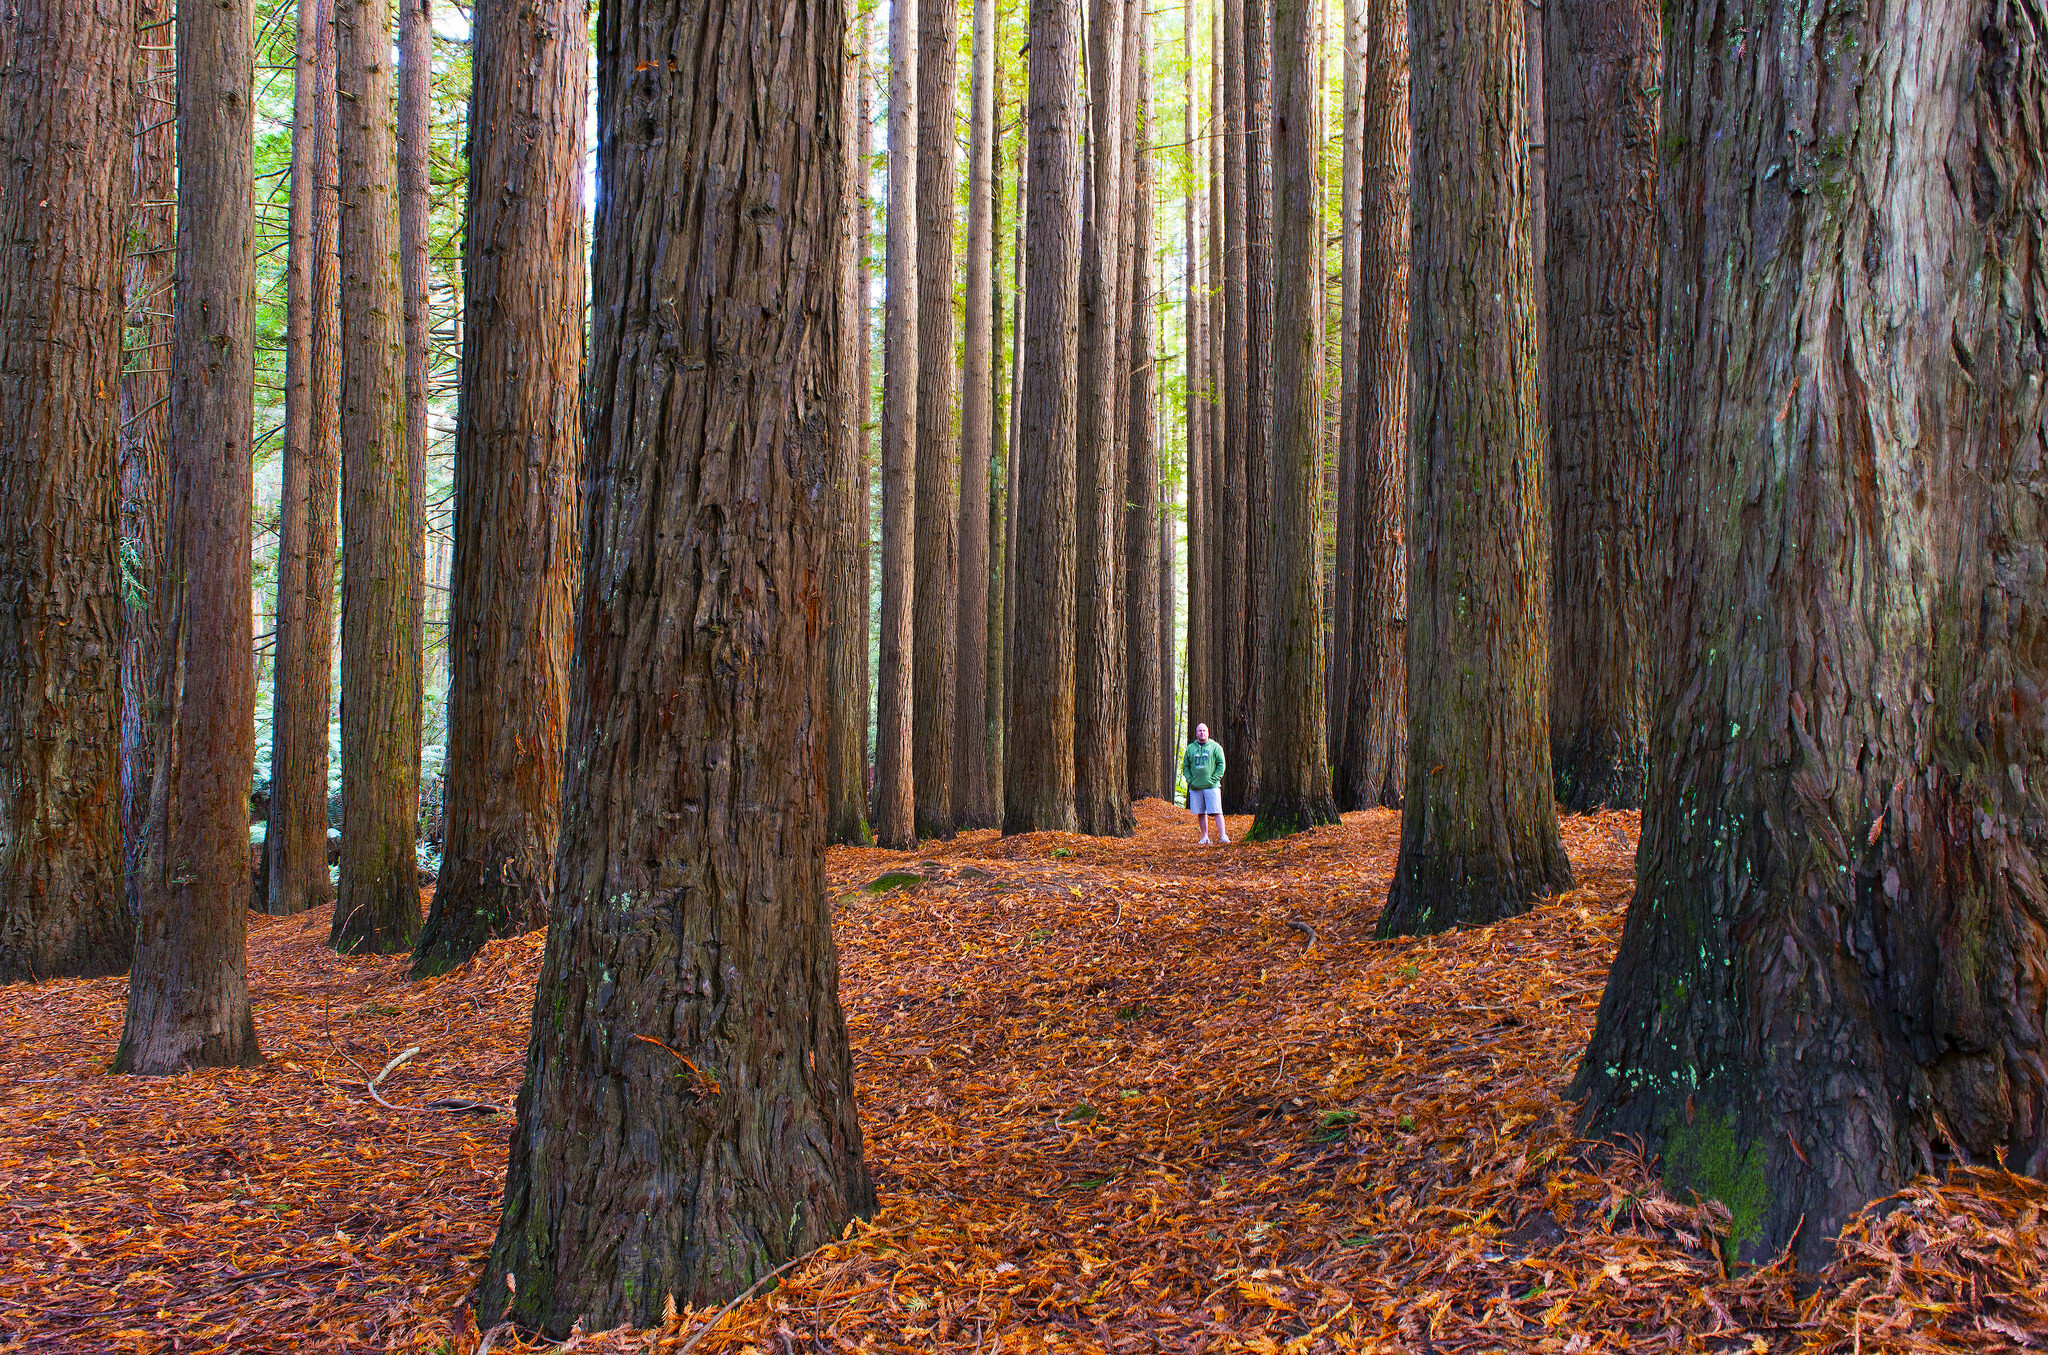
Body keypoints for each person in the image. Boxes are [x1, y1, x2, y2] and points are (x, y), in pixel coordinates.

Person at [1182, 723, 1227, 845]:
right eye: (1200, 731)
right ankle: (1205, 836)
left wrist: (1215, 778)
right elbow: (1185, 765)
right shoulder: (1191, 748)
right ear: (1196, 733)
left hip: (1212, 786)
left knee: (1217, 811)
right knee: (1201, 812)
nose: (1202, 733)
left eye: (1204, 731)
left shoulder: (1215, 747)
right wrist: (1189, 779)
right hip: (1196, 786)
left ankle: (1223, 835)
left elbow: (1221, 764)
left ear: (1208, 732)